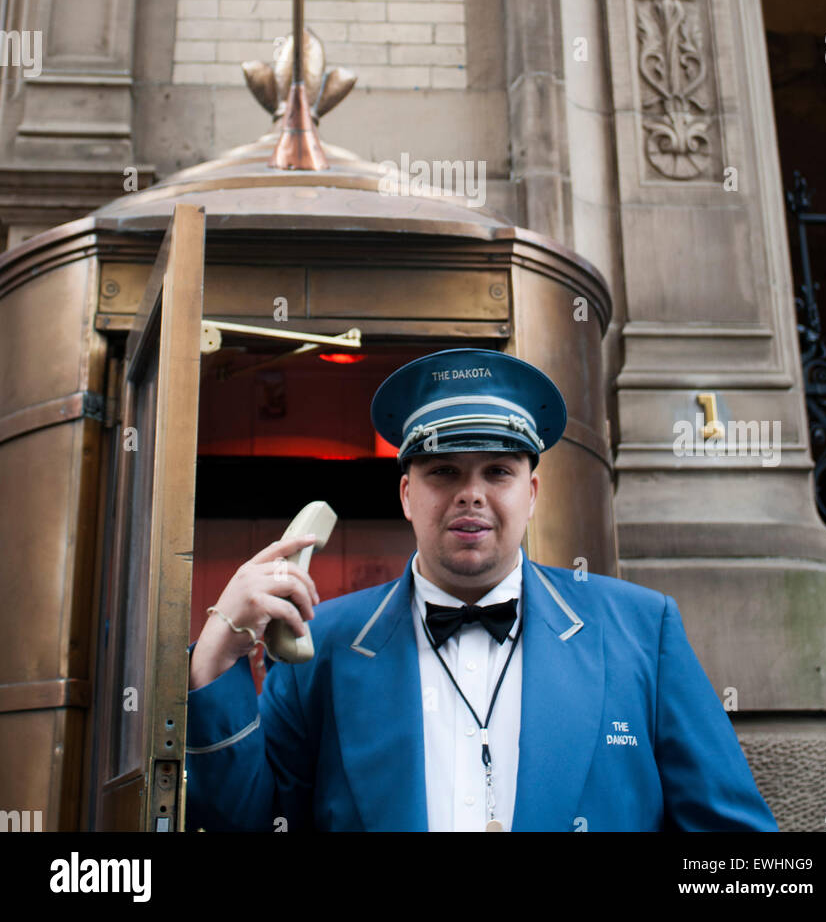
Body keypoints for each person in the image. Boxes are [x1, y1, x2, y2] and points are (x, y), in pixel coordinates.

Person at [185, 349, 778, 832]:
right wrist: (216, 657)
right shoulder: (325, 645)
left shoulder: (643, 630)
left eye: (497, 471)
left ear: (533, 494)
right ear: (406, 496)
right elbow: (250, 824)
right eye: (443, 471)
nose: (471, 494)